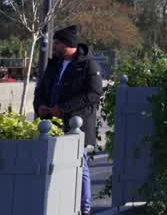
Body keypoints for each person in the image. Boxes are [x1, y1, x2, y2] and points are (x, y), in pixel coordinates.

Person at [34, 25, 101, 215]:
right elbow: (41, 90)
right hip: (51, 123)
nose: (54, 46)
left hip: (76, 124)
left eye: (57, 43)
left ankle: (85, 207)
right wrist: (40, 106)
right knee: (52, 164)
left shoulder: (88, 65)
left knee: (80, 163)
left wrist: (62, 109)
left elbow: (94, 93)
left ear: (68, 44)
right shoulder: (54, 65)